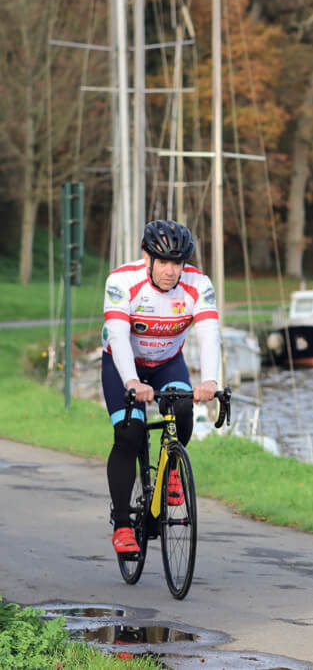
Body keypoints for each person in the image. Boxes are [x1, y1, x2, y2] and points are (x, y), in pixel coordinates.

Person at [101, 219, 221, 556]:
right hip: (123, 363)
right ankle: (123, 524)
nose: (171, 271)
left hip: (168, 361)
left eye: (177, 263)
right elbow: (119, 337)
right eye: (163, 262)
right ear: (147, 257)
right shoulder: (122, 281)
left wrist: (210, 379)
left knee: (182, 407)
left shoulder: (198, 284)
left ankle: (171, 469)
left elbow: (209, 333)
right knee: (130, 433)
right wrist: (131, 382)